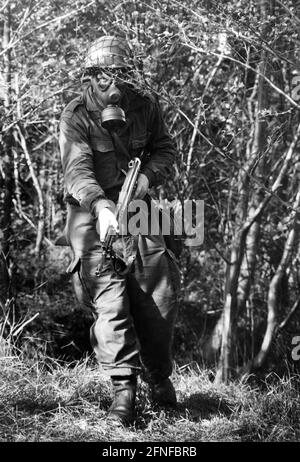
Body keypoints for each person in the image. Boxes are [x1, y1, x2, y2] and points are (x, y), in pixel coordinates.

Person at [59, 35, 180, 426]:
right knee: (110, 299)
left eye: (120, 78)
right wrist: (100, 206)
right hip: (91, 208)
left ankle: (159, 378)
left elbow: (165, 148)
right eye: (103, 79)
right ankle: (123, 391)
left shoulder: (144, 105)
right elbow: (76, 171)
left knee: (158, 294)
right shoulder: (76, 115)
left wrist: (146, 179)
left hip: (139, 204)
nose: (113, 88)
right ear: (89, 78)